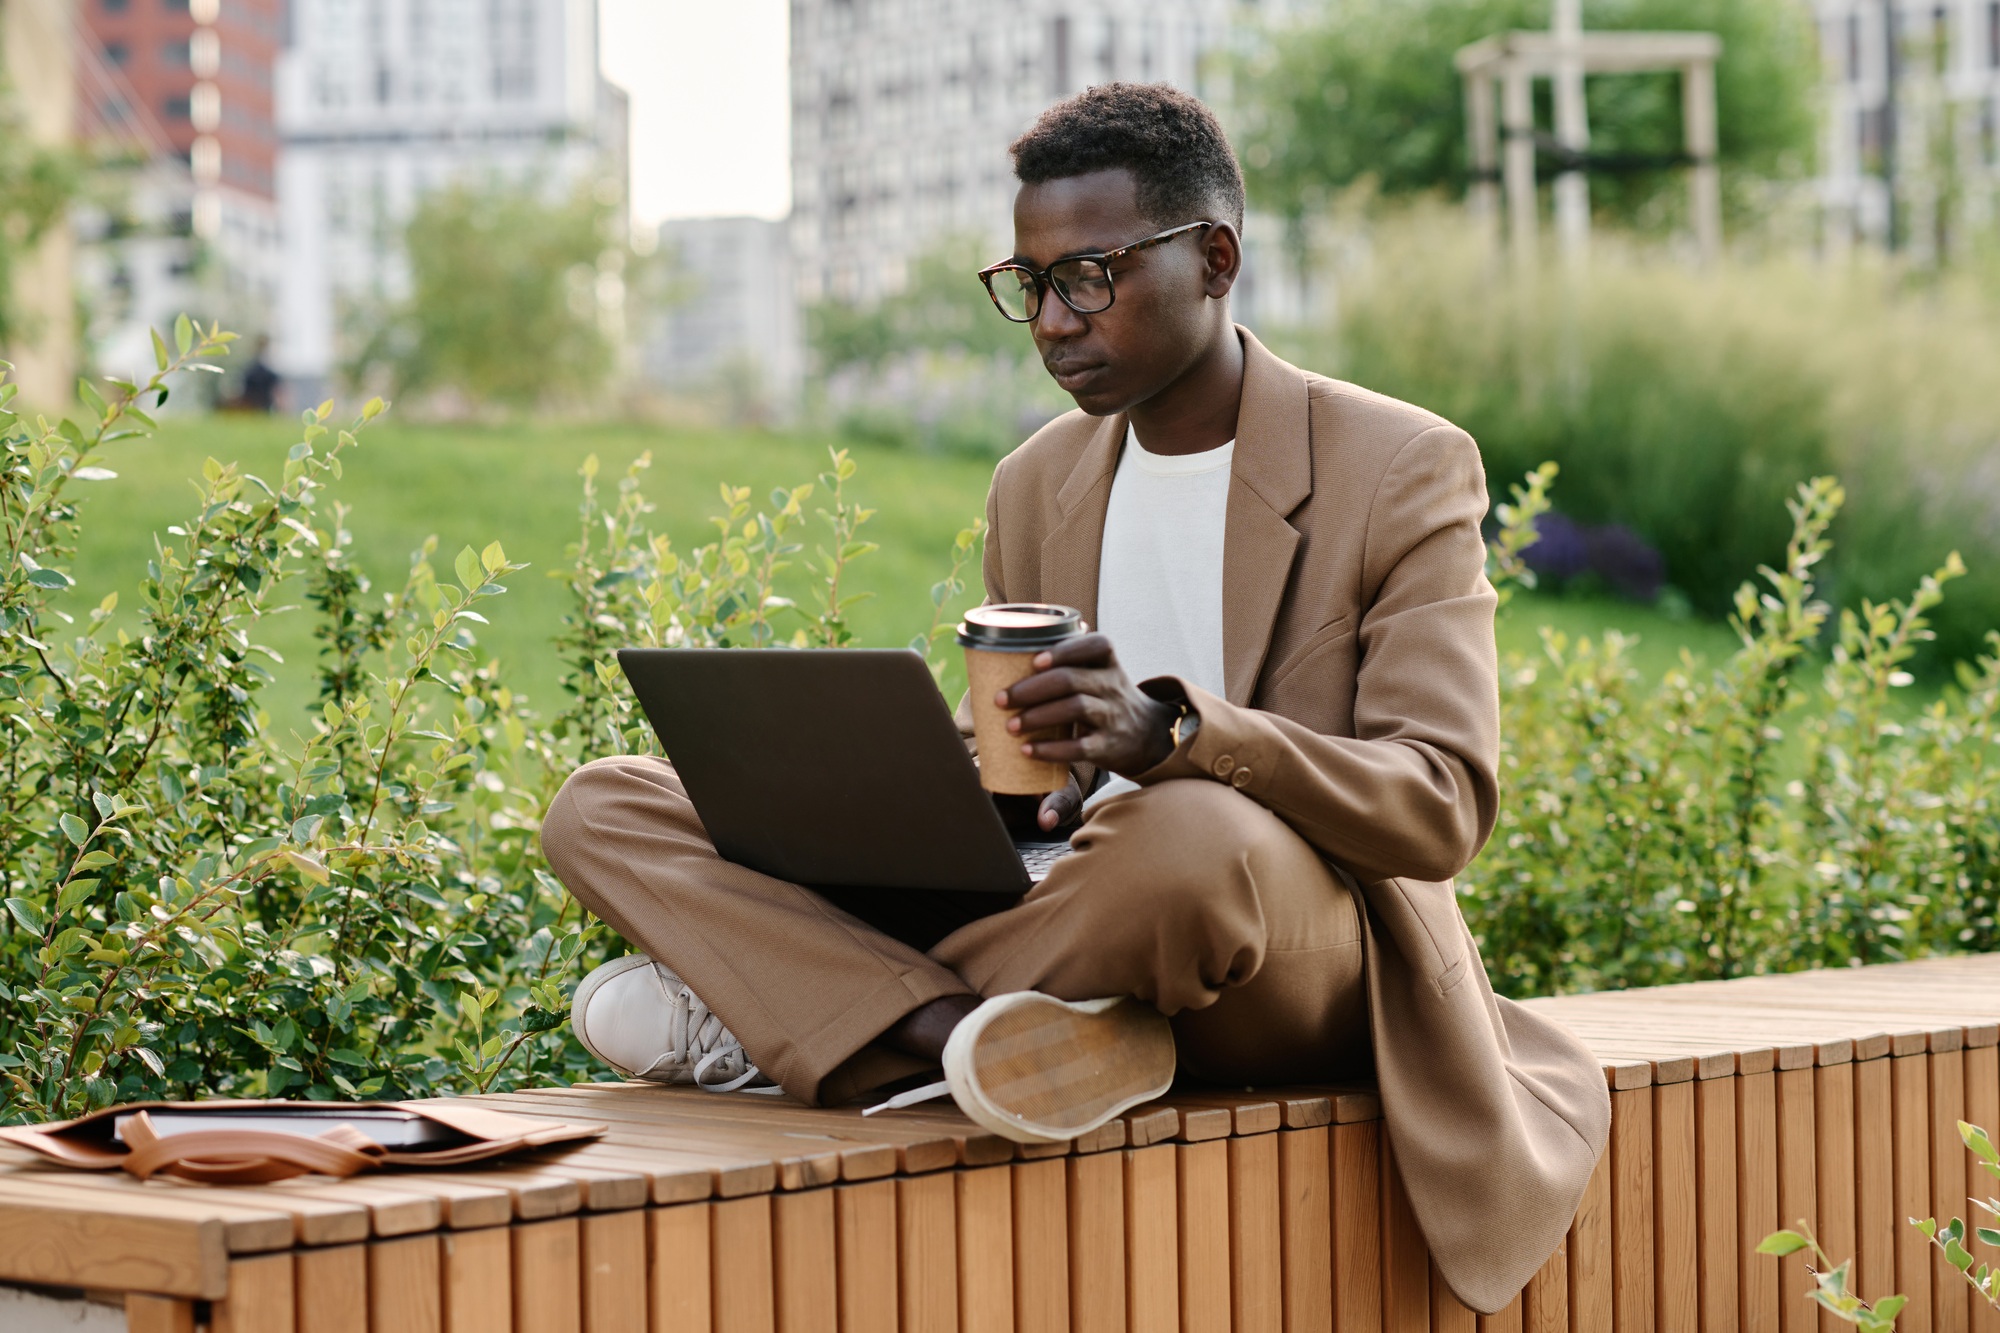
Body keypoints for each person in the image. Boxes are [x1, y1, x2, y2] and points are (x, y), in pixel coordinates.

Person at [540, 83, 1607, 1310]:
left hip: (1285, 938)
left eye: (1088, 276)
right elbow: (1024, 769)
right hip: (1068, 900)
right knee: (603, 805)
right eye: (1027, 282)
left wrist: (1179, 736)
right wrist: (917, 786)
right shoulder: (1034, 481)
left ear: (1214, 260)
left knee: (1185, 833)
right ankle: (970, 1041)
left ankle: (807, 1015)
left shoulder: (1397, 466)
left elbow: (1439, 807)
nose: (1051, 320)